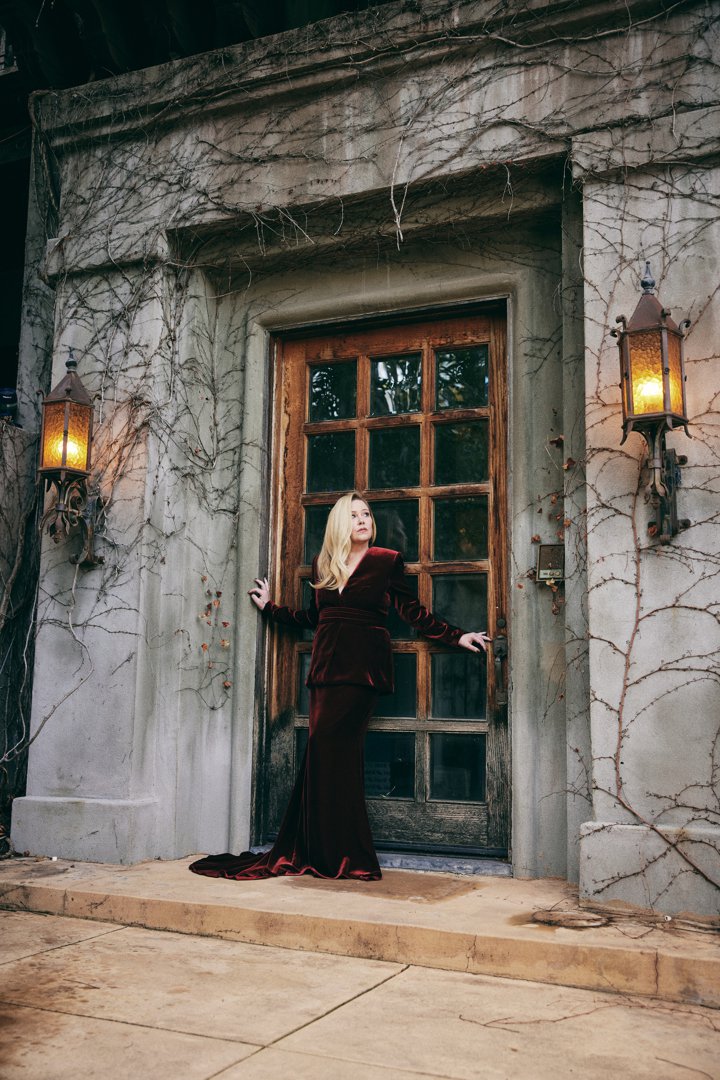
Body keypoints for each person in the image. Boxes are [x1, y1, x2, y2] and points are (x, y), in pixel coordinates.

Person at [189, 492, 490, 882]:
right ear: (339, 523)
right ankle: (321, 852)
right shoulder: (324, 564)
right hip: (326, 670)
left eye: (366, 513)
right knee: (320, 756)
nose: (363, 519)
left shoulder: (387, 561)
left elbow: (413, 613)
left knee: (336, 756)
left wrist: (457, 636)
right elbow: (315, 616)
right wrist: (271, 608)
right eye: (354, 515)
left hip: (361, 672)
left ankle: (346, 856)